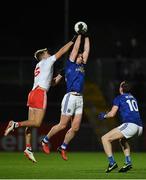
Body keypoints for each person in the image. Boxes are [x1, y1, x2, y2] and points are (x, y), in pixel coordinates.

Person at [4, 38, 76, 163]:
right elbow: (62, 51)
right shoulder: (47, 61)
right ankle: (15, 124)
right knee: (37, 123)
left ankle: (28, 148)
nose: (49, 53)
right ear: (43, 55)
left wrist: (60, 75)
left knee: (31, 123)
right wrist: (72, 41)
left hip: (32, 93)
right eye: (47, 52)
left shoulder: (39, 66)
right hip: (40, 93)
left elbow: (52, 83)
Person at [41, 33, 90, 160]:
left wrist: (87, 36)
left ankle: (62, 147)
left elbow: (87, 50)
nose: (82, 57)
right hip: (70, 97)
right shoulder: (71, 64)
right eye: (80, 56)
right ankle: (45, 140)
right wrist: (79, 34)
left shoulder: (82, 66)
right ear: (75, 57)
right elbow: (75, 49)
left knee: (75, 128)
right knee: (63, 125)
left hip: (80, 98)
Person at [98, 81, 143, 173]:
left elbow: (112, 114)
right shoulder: (133, 98)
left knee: (105, 138)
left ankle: (112, 163)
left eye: (120, 87)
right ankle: (128, 162)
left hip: (130, 125)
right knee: (122, 140)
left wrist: (104, 116)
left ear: (121, 89)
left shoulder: (119, 98)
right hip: (139, 126)